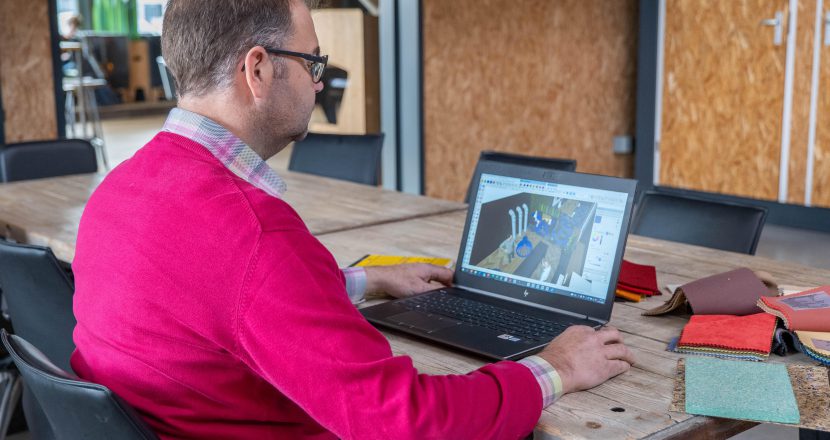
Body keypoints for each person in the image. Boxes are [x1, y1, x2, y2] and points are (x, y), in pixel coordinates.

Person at [70, 0, 635, 438]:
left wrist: (364, 280)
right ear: (258, 70)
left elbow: (214, 298)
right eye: (312, 62)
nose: (320, 82)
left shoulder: (121, 187)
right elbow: (407, 423)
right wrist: (554, 367)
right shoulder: (255, 235)